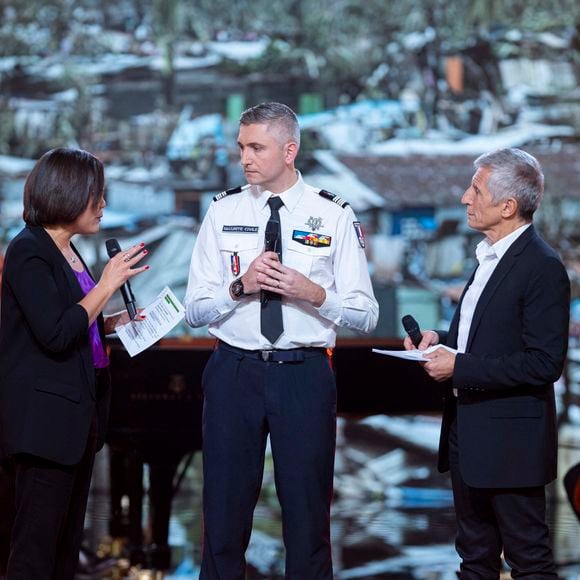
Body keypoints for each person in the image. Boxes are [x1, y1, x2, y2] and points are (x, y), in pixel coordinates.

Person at [184, 102, 378, 579]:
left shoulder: (332, 215)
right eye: (241, 147)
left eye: (256, 147)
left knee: (307, 521)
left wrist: (314, 294)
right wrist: (240, 287)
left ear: (289, 150)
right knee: (224, 522)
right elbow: (194, 311)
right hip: (233, 372)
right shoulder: (222, 211)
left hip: (304, 374)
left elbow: (366, 314)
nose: (244, 158)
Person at [404, 148, 570, 578]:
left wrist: (459, 367)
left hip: (512, 445)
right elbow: (478, 341)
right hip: (468, 435)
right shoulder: (486, 259)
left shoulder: (542, 267)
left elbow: (544, 362)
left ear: (508, 206)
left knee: (528, 562)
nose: (464, 198)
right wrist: (438, 342)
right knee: (474, 561)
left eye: (475, 190)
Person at [0, 147, 149, 580]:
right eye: (95, 195)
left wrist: (118, 321)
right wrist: (106, 286)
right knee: (35, 553)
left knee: (65, 553)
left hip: (76, 423)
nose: (103, 205)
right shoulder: (29, 251)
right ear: (68, 194)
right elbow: (55, 332)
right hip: (45, 428)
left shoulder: (66, 250)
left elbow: (78, 320)